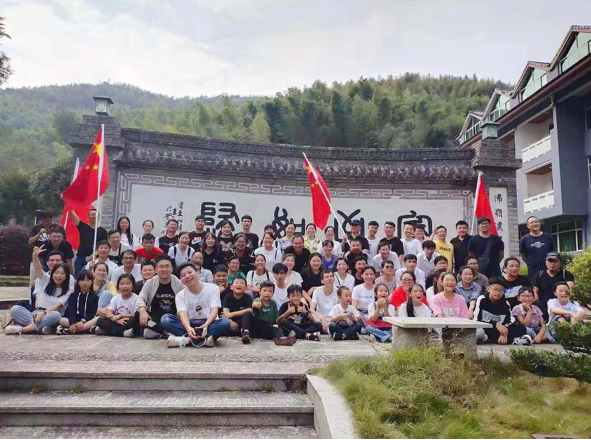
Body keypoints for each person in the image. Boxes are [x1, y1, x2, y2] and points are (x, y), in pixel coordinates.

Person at [163, 263, 232, 348]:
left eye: (190, 272)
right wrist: (188, 329)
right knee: (166, 319)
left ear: (197, 273)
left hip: (209, 323)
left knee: (225, 323)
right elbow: (183, 314)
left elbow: (214, 310)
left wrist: (206, 325)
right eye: (183, 275)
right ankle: (204, 340)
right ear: (181, 280)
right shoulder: (180, 295)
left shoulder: (213, 288)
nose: (187, 276)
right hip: (190, 323)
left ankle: (186, 340)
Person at [5, 263, 73, 335]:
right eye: (56, 273)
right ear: (52, 274)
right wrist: (35, 257)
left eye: (62, 273)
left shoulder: (69, 289)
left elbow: (57, 305)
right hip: (37, 313)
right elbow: (38, 269)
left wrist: (43, 313)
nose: (58, 275)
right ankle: (39, 327)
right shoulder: (46, 280)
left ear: (67, 276)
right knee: (15, 309)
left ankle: (22, 330)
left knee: (56, 315)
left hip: (50, 315)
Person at [135, 255, 184, 339]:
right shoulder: (150, 283)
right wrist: (142, 310)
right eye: (161, 267)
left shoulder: (179, 284)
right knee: (138, 315)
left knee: (166, 323)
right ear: (156, 269)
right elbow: (141, 298)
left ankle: (160, 333)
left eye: (167, 266)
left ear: (172, 269)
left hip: (172, 320)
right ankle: (165, 332)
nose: (164, 269)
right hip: (154, 321)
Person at [473, 277, 529, 345]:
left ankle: (507, 340)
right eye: (495, 289)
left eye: (501, 290)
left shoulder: (505, 303)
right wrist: (495, 324)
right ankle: (514, 340)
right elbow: (477, 319)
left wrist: (504, 332)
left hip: (501, 328)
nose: (498, 293)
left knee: (521, 328)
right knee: (480, 332)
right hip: (487, 327)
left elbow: (510, 320)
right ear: (488, 289)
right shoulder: (482, 299)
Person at [532, 252, 575, 320]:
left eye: (555, 261)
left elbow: (570, 290)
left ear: (560, 262)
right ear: (546, 262)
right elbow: (534, 292)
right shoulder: (539, 275)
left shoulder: (566, 274)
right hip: (543, 310)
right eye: (550, 261)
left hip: (561, 309)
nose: (552, 264)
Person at [57, 270, 99, 335]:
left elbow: (92, 313)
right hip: (74, 321)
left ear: (92, 282)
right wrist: (73, 323)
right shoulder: (73, 295)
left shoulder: (94, 297)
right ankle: (82, 330)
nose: (84, 283)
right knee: (62, 320)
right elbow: (71, 310)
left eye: (87, 280)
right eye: (82, 280)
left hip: (87, 321)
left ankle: (69, 330)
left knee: (95, 320)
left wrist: (83, 321)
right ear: (78, 282)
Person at [68, 208, 108, 274]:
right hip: (81, 258)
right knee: (79, 277)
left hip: (95, 259)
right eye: (92, 214)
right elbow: (73, 215)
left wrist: (94, 254)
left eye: (95, 214)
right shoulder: (83, 227)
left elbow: (104, 245)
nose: (94, 216)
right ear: (88, 217)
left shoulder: (103, 231)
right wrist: (70, 207)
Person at [222, 276, 254, 344]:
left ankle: (245, 333)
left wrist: (232, 314)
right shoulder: (228, 297)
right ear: (231, 287)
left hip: (243, 322)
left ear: (245, 288)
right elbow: (225, 313)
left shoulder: (247, 297)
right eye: (236, 283)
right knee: (223, 319)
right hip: (231, 323)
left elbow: (250, 310)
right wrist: (230, 322)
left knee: (247, 313)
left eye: (241, 283)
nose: (239, 284)